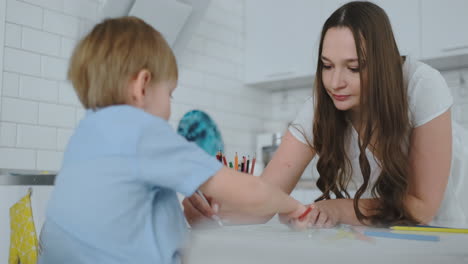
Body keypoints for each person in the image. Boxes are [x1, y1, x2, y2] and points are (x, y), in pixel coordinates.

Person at [37, 17, 308, 264]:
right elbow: (250, 192)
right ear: (142, 86)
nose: (169, 108)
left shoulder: (85, 135)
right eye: (170, 93)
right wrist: (295, 207)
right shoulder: (141, 130)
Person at [183, 1, 467, 228]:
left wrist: (337, 208)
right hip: (386, 228)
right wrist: (215, 211)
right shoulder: (320, 107)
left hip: (449, 225)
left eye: (353, 67)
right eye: (327, 66)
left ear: (383, 65)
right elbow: (265, 196)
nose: (335, 82)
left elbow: (421, 206)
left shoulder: (421, 86)